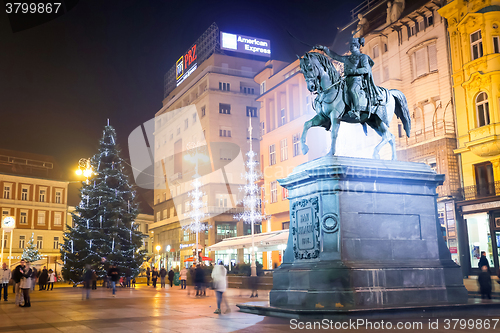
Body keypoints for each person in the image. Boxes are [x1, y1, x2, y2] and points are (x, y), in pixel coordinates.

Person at [314, 37, 383, 121]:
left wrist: (354, 71)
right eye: (350, 45)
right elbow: (335, 56)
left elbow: (366, 69)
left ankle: (356, 111)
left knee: (352, 90)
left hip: (357, 80)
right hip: (346, 80)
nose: (351, 47)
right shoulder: (347, 58)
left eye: (353, 45)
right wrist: (323, 48)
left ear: (357, 46)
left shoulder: (363, 57)